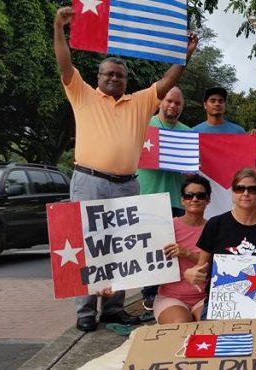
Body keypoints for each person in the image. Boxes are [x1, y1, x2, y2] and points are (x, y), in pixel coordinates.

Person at [53, 6, 198, 332]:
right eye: (108, 74)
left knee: (122, 248)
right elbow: (64, 62)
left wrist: (184, 56)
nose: (114, 78)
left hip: (127, 185)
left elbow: (168, 81)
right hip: (88, 181)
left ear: (126, 80)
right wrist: (58, 28)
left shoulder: (141, 101)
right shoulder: (82, 94)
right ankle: (86, 312)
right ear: (98, 77)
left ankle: (115, 308)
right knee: (89, 246)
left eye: (119, 75)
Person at [183, 168, 256, 315]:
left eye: (252, 189)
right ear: (232, 192)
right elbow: (202, 267)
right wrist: (191, 273)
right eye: (239, 188)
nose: (245, 193)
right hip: (222, 304)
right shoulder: (216, 224)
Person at [137, 86, 193, 311]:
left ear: (182, 106)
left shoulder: (187, 132)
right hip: (147, 197)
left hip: (176, 200)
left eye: (177, 103)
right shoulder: (142, 124)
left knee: (174, 249)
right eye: (169, 101)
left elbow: (193, 169)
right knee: (150, 249)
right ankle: (149, 294)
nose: (172, 106)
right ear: (160, 102)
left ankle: (172, 292)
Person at [154, 175, 211, 324]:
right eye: (189, 195)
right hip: (171, 297)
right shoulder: (166, 228)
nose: (194, 199)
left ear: (208, 200)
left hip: (204, 297)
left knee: (207, 327)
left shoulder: (214, 229)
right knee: (181, 325)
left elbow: (216, 265)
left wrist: (186, 253)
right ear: (182, 200)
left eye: (201, 195)